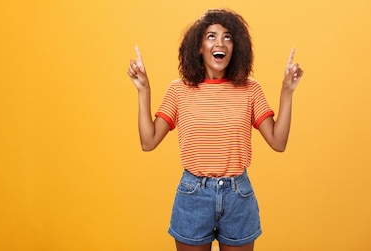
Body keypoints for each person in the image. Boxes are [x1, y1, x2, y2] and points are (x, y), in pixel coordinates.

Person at [126, 9, 304, 251]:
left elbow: (278, 142)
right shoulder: (179, 90)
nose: (220, 43)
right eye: (211, 36)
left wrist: (287, 91)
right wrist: (143, 89)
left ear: (235, 47)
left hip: (238, 196)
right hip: (193, 195)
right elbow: (148, 142)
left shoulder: (251, 90)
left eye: (228, 37)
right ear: (198, 47)